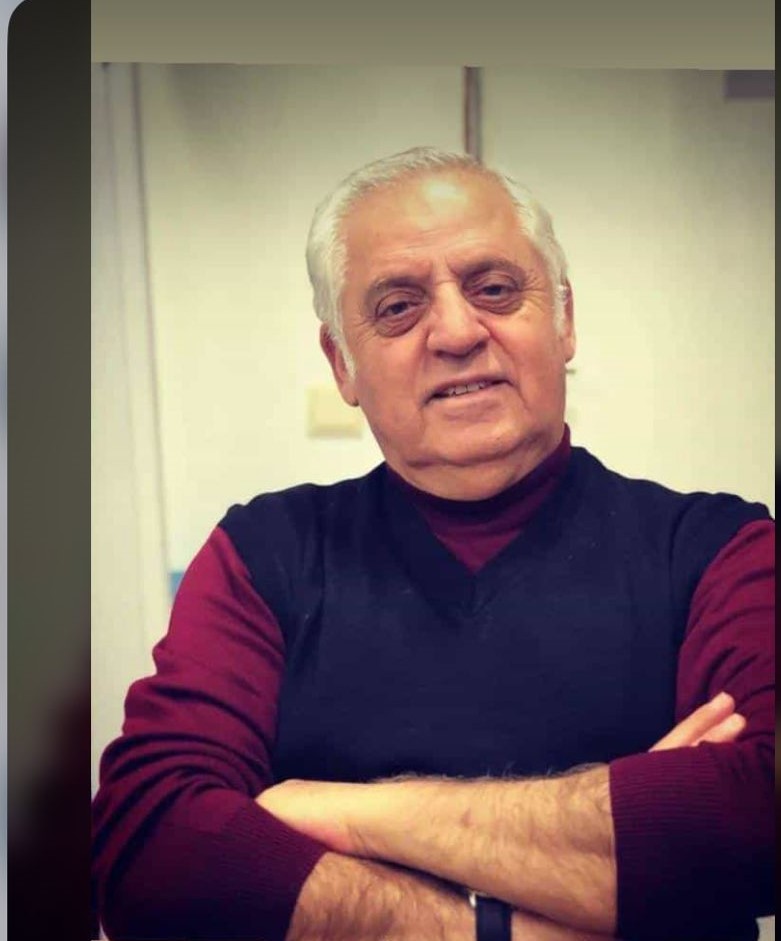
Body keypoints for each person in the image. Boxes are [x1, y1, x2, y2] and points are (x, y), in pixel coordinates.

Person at [92, 147, 774, 941]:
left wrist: (342, 812)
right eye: (397, 306)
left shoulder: (718, 549)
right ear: (342, 364)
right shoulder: (265, 553)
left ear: (563, 320)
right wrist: (512, 918)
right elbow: (151, 851)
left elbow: (757, 813)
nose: (455, 331)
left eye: (494, 289)